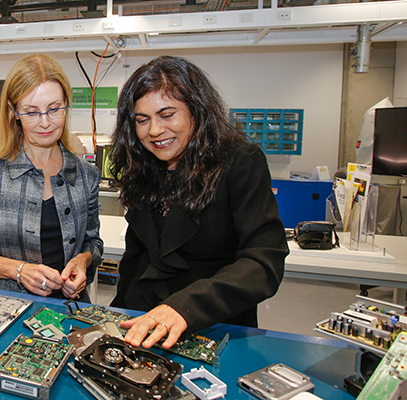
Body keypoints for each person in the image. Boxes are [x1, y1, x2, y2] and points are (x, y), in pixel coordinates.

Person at [109, 56, 288, 349]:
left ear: (197, 110)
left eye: (167, 115)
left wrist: (184, 308)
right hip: (143, 324)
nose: (154, 130)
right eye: (142, 120)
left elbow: (263, 262)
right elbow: (136, 261)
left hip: (212, 327)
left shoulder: (240, 162)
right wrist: (116, 315)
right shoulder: (143, 166)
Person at [0, 54, 103, 302]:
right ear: (14, 111)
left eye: (54, 109)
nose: (45, 123)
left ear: (66, 105)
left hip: (71, 307)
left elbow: (93, 242)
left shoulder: (87, 176)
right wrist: (18, 270)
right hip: (5, 308)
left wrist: (83, 261)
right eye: (31, 112)